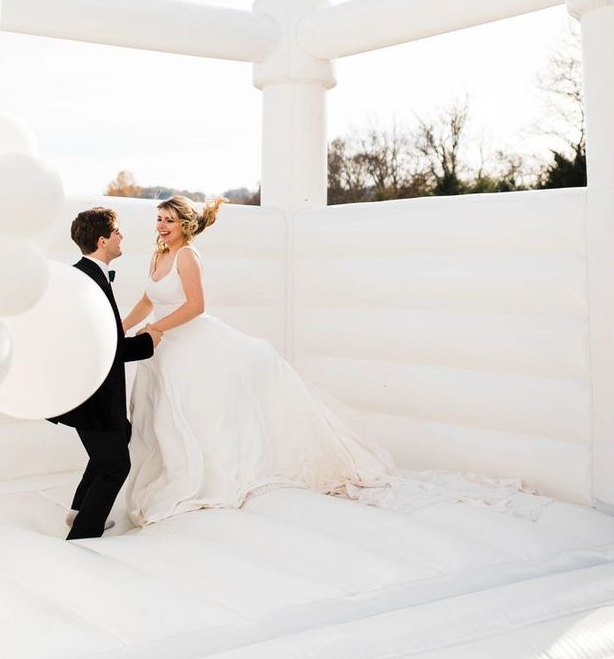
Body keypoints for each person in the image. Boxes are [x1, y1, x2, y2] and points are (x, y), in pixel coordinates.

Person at [120, 196, 547, 527]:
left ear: (184, 225)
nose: (161, 225)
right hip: (164, 351)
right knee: (171, 420)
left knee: (205, 413)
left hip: (191, 343)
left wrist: (158, 330)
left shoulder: (189, 257)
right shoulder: (156, 257)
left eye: (168, 219)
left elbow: (196, 304)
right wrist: (125, 326)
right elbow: (147, 299)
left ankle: (217, 475)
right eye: (158, 219)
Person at [48, 207, 160, 540]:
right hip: (91, 395)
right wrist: (147, 343)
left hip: (90, 392)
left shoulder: (84, 275)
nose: (121, 236)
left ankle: (78, 510)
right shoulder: (89, 283)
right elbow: (104, 350)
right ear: (102, 240)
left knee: (121, 434)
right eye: (117, 232)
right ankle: (83, 535)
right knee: (116, 466)